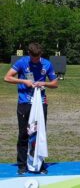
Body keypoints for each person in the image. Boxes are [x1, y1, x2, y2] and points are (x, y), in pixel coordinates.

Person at [4, 42, 58, 175]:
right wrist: (24, 81)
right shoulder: (22, 62)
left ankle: (40, 164)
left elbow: (55, 83)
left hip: (40, 103)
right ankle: (22, 165)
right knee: (24, 134)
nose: (36, 60)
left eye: (38, 57)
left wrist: (44, 83)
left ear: (41, 54)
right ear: (29, 54)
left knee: (39, 134)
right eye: (33, 58)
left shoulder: (47, 64)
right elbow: (7, 77)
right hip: (24, 103)